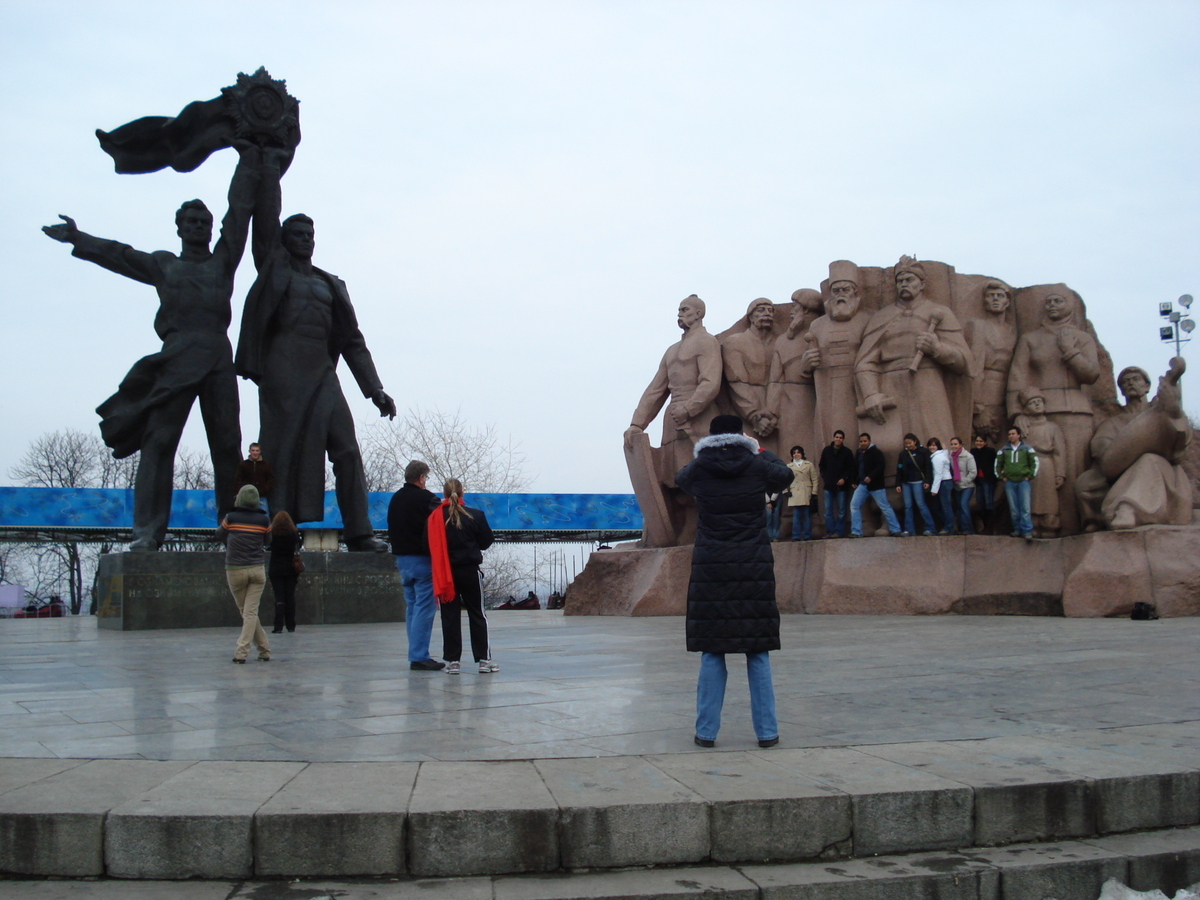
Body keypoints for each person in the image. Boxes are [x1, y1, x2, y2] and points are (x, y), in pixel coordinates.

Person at [41, 142, 263, 551]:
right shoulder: (165, 264)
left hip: (217, 355)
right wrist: (79, 237)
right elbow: (120, 255)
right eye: (191, 221)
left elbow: (239, 212)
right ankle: (148, 531)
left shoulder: (222, 262)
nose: (198, 226)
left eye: (204, 221)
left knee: (227, 445)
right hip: (177, 357)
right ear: (179, 227)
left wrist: (248, 161)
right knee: (159, 442)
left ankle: (233, 524)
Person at [236, 148, 396, 552]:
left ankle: (359, 533)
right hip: (283, 375)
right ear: (284, 242)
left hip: (323, 375)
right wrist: (269, 164)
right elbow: (266, 216)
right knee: (278, 455)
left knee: (346, 450)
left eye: (310, 235)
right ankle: (278, 532)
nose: (305, 240)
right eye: (297, 235)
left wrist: (374, 387)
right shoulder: (275, 270)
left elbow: (352, 340)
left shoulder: (331, 285)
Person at [674, 414, 792, 749]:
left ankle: (706, 732)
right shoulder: (757, 464)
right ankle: (767, 732)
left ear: (710, 437)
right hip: (753, 566)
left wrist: (704, 456)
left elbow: (681, 478)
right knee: (758, 650)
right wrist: (761, 450)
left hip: (711, 568)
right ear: (743, 435)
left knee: (712, 651)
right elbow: (784, 475)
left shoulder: (699, 469)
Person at [854, 256, 972, 485]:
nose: (904, 284)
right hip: (890, 388)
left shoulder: (939, 313)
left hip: (928, 386)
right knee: (891, 451)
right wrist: (870, 394)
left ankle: (944, 505)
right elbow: (864, 362)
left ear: (922, 283)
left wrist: (937, 349)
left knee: (937, 445)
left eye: (909, 279)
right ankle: (892, 513)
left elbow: (963, 361)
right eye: (899, 281)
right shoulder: (882, 317)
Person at [623, 295, 723, 547]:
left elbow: (710, 382)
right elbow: (656, 390)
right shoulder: (671, 351)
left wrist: (690, 408)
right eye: (679, 309)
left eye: (685, 309)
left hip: (698, 421)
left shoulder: (706, 342)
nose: (680, 314)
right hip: (673, 421)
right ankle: (685, 527)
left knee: (704, 480)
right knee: (676, 481)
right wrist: (638, 423)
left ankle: (709, 529)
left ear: (699, 313)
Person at [1006, 290, 1101, 534]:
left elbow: (1091, 374)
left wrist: (1070, 351)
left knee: (1072, 472)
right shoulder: (1031, 338)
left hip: (1076, 411)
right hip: (1037, 413)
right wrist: (1017, 414)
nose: (1051, 305)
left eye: (1058, 301)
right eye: (1048, 302)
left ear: (1071, 306)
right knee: (1040, 477)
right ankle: (1043, 524)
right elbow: (1017, 377)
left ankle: (1079, 526)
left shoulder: (1081, 338)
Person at [428, 478, 498, 675]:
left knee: (449, 616)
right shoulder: (475, 515)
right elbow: (486, 541)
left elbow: (429, 545)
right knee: (477, 613)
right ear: (462, 493)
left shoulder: (435, 517)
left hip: (446, 573)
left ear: (444, 493)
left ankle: (453, 661)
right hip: (469, 570)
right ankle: (484, 660)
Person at [387, 460, 444, 670]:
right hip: (422, 559)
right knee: (425, 607)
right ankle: (419, 655)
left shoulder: (395, 499)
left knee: (412, 606)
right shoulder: (427, 499)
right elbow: (443, 520)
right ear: (421, 478)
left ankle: (415, 653)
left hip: (402, 560)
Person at [216, 484, 271, 663]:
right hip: (257, 570)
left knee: (246, 612)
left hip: (235, 569)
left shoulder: (231, 517)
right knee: (251, 613)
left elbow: (219, 534)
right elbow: (268, 540)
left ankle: (241, 652)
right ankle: (264, 650)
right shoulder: (264, 520)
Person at [1014, 390, 1067, 538]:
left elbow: (1059, 452)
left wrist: (1060, 473)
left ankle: (1049, 524)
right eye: (1032, 402)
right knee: (1028, 498)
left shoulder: (1052, 427)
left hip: (1046, 466)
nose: (1037, 404)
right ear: (1025, 409)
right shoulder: (1023, 427)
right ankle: (1030, 525)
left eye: (1039, 401)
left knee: (1048, 499)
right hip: (1028, 467)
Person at [849, 433, 902, 537]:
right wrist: (854, 481)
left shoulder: (876, 452)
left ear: (869, 441)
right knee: (854, 505)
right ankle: (856, 531)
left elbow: (880, 466)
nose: (863, 443)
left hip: (876, 485)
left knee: (885, 506)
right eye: (861, 441)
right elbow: (856, 468)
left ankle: (895, 529)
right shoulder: (859, 453)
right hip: (863, 485)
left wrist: (871, 476)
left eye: (865, 441)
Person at [996, 426, 1039, 542]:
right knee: (1014, 508)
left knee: (1025, 507)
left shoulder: (1027, 449)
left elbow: (1034, 463)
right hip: (1009, 482)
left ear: (1018, 435)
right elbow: (997, 465)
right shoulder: (1003, 450)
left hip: (1023, 481)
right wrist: (1001, 477)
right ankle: (1017, 529)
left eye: (1013, 434)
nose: (1011, 436)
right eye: (1009, 434)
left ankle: (1027, 531)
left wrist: (1029, 476)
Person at [267, 510, 303, 634]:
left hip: (276, 569)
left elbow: (267, 545)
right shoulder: (294, 533)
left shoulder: (273, 534)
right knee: (290, 597)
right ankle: (291, 625)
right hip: (291, 569)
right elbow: (299, 545)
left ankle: (278, 626)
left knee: (279, 597)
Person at [894, 433, 935, 537]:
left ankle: (930, 528)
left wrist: (927, 481)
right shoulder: (903, 454)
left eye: (909, 443)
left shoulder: (923, 452)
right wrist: (898, 483)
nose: (908, 445)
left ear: (915, 441)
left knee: (921, 504)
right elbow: (899, 469)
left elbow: (927, 467)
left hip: (918, 481)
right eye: (906, 443)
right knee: (908, 506)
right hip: (906, 482)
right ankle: (909, 529)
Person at [818, 430, 856, 538]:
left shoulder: (847, 452)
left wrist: (845, 478)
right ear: (833, 438)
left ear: (843, 440)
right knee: (828, 511)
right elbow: (822, 466)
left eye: (840, 437)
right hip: (828, 485)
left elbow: (851, 468)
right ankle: (830, 532)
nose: (838, 439)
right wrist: (825, 477)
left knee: (841, 511)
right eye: (837, 437)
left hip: (842, 486)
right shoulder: (827, 450)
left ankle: (838, 532)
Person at [785, 446, 818, 541]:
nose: (796, 454)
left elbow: (814, 479)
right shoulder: (789, 466)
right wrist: (785, 492)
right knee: (796, 517)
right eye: (794, 453)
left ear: (802, 454)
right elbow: (783, 479)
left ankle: (807, 535)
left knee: (807, 516)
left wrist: (814, 492)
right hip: (794, 493)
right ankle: (796, 536)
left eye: (798, 452)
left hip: (806, 492)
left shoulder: (809, 465)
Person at [947, 437, 978, 535]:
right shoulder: (951, 456)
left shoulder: (968, 456)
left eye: (955, 444)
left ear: (960, 445)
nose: (953, 446)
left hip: (967, 486)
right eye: (952, 444)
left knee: (964, 505)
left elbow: (973, 472)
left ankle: (967, 529)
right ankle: (961, 528)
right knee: (959, 507)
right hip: (956, 486)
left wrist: (965, 481)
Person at [970, 435, 999, 534]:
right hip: (978, 480)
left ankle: (991, 527)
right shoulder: (973, 452)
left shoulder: (990, 451)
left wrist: (996, 476)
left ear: (985, 442)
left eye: (981, 441)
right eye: (977, 441)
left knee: (988, 503)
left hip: (988, 480)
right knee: (980, 504)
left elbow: (996, 464)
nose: (978, 443)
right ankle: (985, 525)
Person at [926, 438, 954, 534]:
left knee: (945, 507)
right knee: (937, 507)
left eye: (934, 445)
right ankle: (947, 525)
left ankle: (949, 528)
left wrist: (934, 490)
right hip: (943, 482)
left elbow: (938, 474)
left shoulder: (938, 457)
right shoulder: (938, 455)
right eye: (930, 445)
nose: (932, 447)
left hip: (943, 482)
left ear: (938, 446)